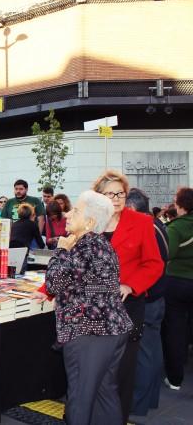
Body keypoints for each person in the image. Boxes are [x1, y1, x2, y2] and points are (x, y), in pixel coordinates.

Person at [45, 190, 133, 425]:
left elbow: (53, 282)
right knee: (105, 394)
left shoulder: (83, 248)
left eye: (76, 210)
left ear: (90, 222)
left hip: (89, 332)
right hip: (112, 328)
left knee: (80, 399)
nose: (69, 213)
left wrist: (61, 249)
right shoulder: (100, 245)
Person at [91, 170, 163, 423]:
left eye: (121, 193)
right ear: (98, 197)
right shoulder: (89, 222)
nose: (117, 198)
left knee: (122, 370)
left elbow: (154, 264)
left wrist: (131, 286)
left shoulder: (142, 222)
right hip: (92, 308)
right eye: (110, 193)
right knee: (93, 370)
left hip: (127, 306)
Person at [125, 188, 169, 415]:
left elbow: (150, 265)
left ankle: (138, 404)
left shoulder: (145, 228)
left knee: (142, 354)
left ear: (131, 208)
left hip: (148, 298)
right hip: (157, 297)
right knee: (152, 351)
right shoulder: (157, 225)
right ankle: (149, 399)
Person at [162, 187, 193, 391]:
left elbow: (167, 253)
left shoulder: (176, 227)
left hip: (177, 282)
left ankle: (175, 379)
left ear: (181, 205)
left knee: (175, 329)